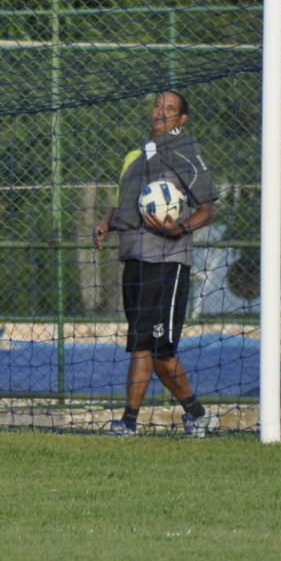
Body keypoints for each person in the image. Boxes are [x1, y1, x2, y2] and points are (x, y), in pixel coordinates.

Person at [92, 89, 219, 437]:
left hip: (167, 262)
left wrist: (180, 227)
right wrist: (107, 222)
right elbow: (124, 203)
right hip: (133, 259)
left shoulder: (187, 155)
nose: (161, 112)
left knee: (150, 347)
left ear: (182, 120)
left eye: (170, 109)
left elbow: (209, 209)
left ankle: (129, 422)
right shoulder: (134, 155)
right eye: (158, 105)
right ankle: (197, 414)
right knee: (149, 347)